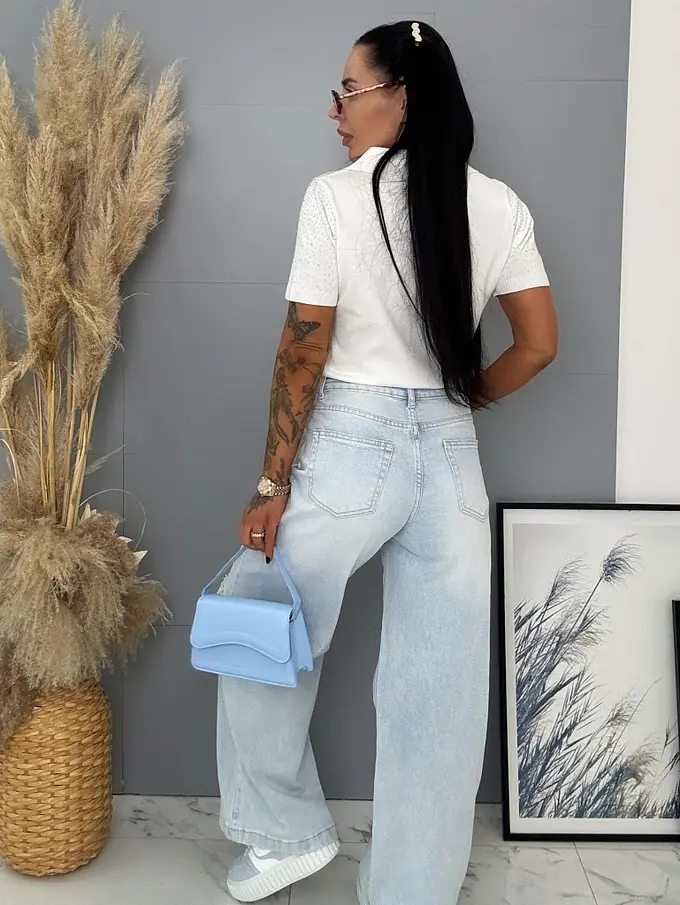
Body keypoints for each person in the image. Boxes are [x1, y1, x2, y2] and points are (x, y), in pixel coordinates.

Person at [216, 19, 557, 905]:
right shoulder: (499, 204)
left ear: (400, 96)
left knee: (259, 627)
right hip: (451, 457)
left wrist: (270, 481)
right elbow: (539, 344)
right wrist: (465, 398)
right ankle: (413, 887)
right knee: (439, 688)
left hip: (348, 448)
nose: (335, 111)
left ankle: (284, 833)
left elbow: (302, 348)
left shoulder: (334, 198)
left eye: (348, 91)